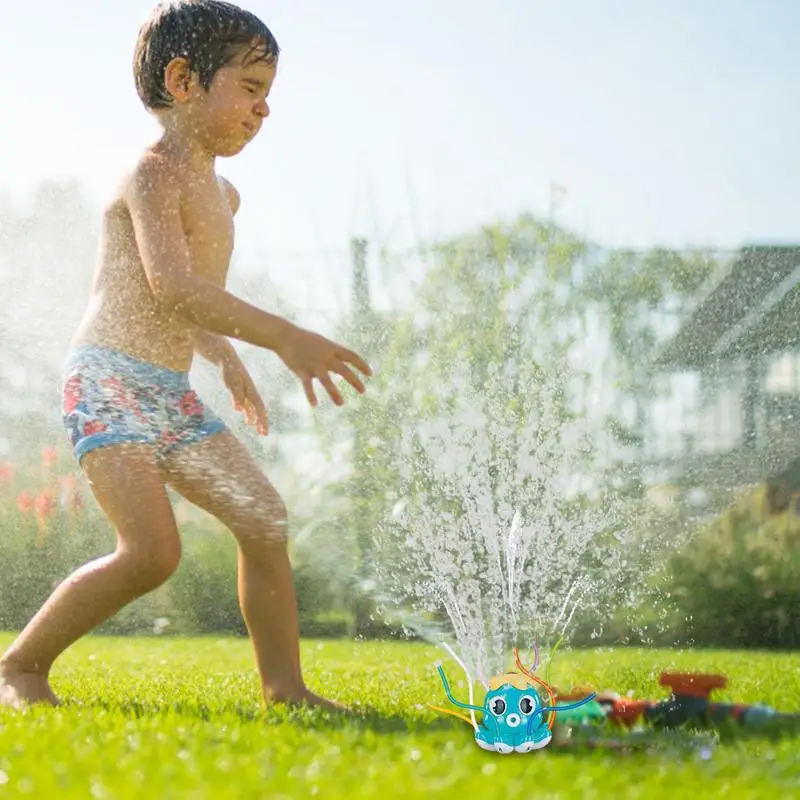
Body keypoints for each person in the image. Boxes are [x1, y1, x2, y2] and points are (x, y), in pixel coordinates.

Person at [0, 0, 370, 711]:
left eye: (269, 93)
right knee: (150, 554)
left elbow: (192, 299)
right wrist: (284, 337)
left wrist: (226, 360)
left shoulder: (224, 194)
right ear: (183, 80)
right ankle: (20, 667)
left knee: (264, 520)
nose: (264, 110)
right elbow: (169, 286)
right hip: (108, 382)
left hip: (169, 392)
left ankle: (285, 689)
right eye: (252, 87)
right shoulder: (153, 174)